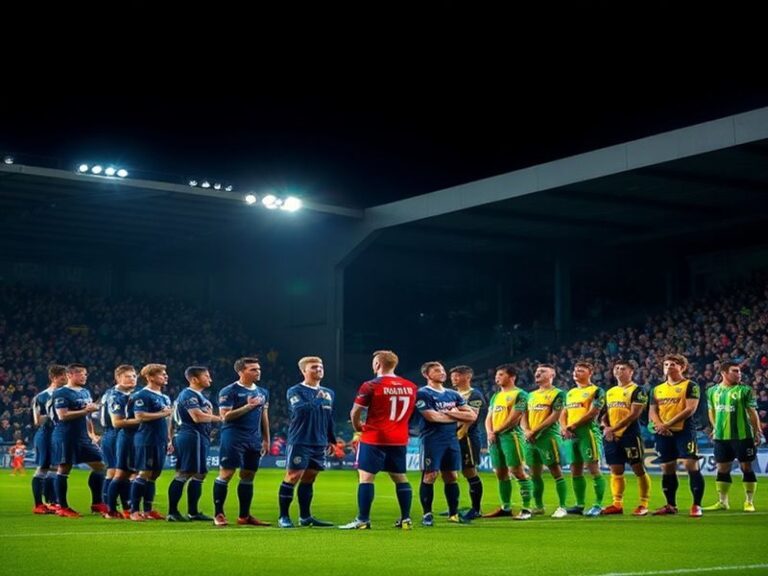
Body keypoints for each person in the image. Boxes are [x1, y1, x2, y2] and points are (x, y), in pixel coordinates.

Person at [339, 350, 418, 530]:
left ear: (377, 365)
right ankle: (406, 519)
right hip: (398, 438)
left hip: (374, 437)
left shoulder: (371, 385)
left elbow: (355, 412)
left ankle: (363, 520)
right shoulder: (411, 386)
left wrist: (357, 426)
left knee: (366, 478)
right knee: (400, 477)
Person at [415, 361, 477, 526]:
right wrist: (456, 414)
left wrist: (448, 413)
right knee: (430, 475)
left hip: (451, 439)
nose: (442, 372)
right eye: (436, 370)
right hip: (432, 440)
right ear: (426, 375)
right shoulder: (423, 393)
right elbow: (431, 417)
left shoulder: (453, 394)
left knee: (452, 476)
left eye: (442, 369)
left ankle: (453, 513)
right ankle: (427, 514)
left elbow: (472, 416)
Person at [278, 356, 336, 528]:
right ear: (304, 371)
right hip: (300, 440)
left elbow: (328, 417)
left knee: (310, 477)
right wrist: (318, 398)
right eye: (314, 367)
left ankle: (305, 517)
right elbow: (301, 410)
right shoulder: (295, 391)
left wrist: (332, 440)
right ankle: (283, 517)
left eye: (321, 366)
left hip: (319, 442)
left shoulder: (329, 393)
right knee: (293, 476)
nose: (319, 369)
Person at [213, 357, 271, 527]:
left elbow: (264, 416)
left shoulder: (263, 392)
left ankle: (244, 516)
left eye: (258, 369)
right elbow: (225, 417)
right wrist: (248, 407)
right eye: (253, 369)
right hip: (233, 437)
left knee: (248, 475)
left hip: (254, 439)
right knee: (227, 474)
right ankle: (218, 514)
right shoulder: (228, 391)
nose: (258, 372)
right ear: (241, 372)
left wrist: (266, 439)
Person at [649, 354, 705, 517]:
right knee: (667, 467)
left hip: (684, 430)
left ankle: (696, 505)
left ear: (682, 367)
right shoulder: (657, 389)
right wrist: (659, 425)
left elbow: (690, 409)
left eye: (673, 364)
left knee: (690, 464)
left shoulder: (690, 385)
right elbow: (652, 410)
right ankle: (670, 505)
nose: (668, 366)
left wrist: (668, 424)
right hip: (662, 432)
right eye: (666, 364)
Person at [703, 361, 761, 512]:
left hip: (743, 436)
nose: (739, 374)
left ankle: (749, 501)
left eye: (739, 371)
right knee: (722, 468)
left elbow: (752, 413)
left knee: (746, 467)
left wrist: (757, 431)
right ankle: (723, 502)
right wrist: (715, 427)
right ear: (723, 373)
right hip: (721, 437)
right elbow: (712, 411)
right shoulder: (712, 391)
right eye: (735, 371)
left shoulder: (746, 390)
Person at [51, 363, 107, 518]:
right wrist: (85, 410)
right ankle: (62, 506)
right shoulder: (61, 393)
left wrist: (92, 433)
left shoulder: (85, 392)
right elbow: (62, 415)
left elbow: (87, 416)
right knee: (64, 469)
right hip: (66, 436)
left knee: (100, 465)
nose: (84, 376)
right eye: (80, 373)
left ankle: (97, 502)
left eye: (85, 374)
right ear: (70, 375)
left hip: (84, 437)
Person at [167, 366, 222, 521]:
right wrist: (220, 418)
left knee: (200, 473)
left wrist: (170, 438)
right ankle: (172, 512)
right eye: (206, 376)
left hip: (198, 436)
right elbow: (197, 417)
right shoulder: (188, 394)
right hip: (191, 435)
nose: (210, 379)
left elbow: (171, 418)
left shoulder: (199, 396)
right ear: (194, 379)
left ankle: (193, 512)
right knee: (184, 473)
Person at [601, 360, 651, 516]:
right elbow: (604, 414)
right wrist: (605, 427)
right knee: (616, 470)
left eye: (623, 368)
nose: (619, 371)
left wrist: (613, 429)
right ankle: (617, 504)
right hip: (611, 435)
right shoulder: (610, 392)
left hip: (630, 434)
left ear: (631, 372)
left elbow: (634, 414)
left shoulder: (638, 390)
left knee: (638, 468)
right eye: (616, 368)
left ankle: (643, 504)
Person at [483, 364, 533, 520]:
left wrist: (496, 431)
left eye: (501, 374)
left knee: (517, 471)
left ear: (512, 377)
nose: (497, 377)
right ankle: (505, 507)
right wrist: (490, 432)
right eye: (497, 375)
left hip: (511, 436)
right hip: (494, 438)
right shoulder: (496, 396)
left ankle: (527, 509)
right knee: (500, 473)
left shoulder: (521, 394)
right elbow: (489, 417)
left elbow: (515, 417)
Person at [521, 364, 569, 518]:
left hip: (547, 438)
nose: (538, 373)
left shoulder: (558, 394)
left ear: (552, 375)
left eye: (542, 371)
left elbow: (554, 416)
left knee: (556, 471)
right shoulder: (530, 395)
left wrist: (534, 431)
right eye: (537, 371)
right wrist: (527, 430)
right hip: (530, 439)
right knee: (534, 474)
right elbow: (523, 416)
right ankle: (539, 506)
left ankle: (562, 507)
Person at [561, 361, 606, 516]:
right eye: (575, 370)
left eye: (580, 370)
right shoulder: (571, 393)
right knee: (575, 470)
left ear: (590, 373)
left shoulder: (597, 391)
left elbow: (593, 412)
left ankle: (598, 505)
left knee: (593, 468)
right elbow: (564, 412)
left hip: (588, 433)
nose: (576, 373)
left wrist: (573, 426)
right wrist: (564, 427)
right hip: (570, 435)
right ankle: (579, 505)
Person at [129, 363, 173, 521]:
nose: (165, 376)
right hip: (146, 439)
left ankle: (148, 510)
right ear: (150, 377)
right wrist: (162, 414)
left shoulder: (164, 396)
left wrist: (169, 439)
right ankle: (134, 511)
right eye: (162, 374)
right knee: (144, 472)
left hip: (160, 440)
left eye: (165, 373)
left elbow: (167, 418)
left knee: (155, 474)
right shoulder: (142, 395)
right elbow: (140, 417)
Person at [99, 365, 138, 518]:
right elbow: (117, 421)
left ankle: (119, 507)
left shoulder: (127, 394)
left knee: (120, 471)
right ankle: (111, 508)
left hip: (116, 434)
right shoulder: (115, 395)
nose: (132, 379)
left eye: (134, 376)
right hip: (115, 434)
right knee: (119, 471)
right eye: (128, 376)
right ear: (118, 378)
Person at [448, 365, 486, 520]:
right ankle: (453, 507)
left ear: (467, 377)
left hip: (467, 437)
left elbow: (473, 416)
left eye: (457, 375)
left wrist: (462, 430)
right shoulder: (452, 394)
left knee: (469, 471)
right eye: (452, 376)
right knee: (451, 472)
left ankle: (476, 509)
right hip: (452, 436)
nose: (453, 378)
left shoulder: (474, 394)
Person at [31, 364, 66, 514]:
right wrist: (56, 414)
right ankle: (38, 504)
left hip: (59, 435)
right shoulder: (42, 397)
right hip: (45, 435)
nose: (66, 379)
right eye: (63, 376)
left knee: (55, 468)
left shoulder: (66, 394)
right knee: (43, 468)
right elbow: (37, 421)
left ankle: (52, 502)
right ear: (53, 378)